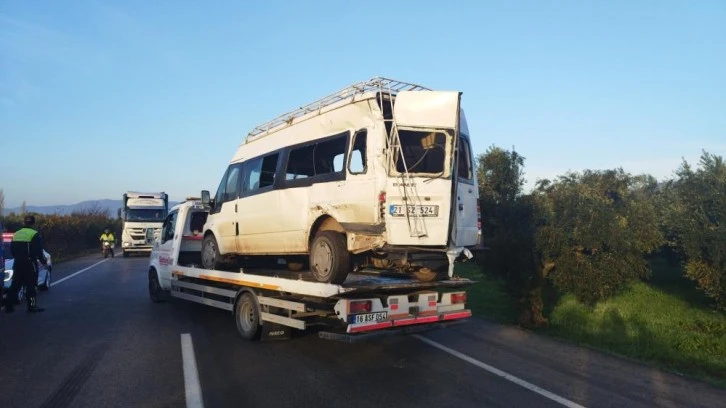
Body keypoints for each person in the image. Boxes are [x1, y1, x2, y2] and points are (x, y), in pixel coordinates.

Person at [3, 215, 48, 313]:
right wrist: (44, 262)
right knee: (31, 286)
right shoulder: (34, 234)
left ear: (24, 222)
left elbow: (12, 249)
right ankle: (31, 306)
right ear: (33, 222)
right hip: (30, 264)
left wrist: (17, 258)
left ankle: (8, 306)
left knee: (15, 285)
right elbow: (38, 251)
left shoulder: (17, 234)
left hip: (18, 263)